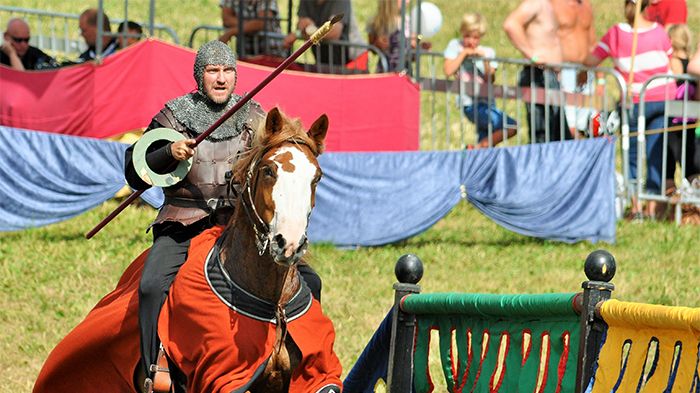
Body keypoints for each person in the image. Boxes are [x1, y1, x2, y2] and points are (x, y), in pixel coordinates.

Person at [123, 40, 323, 384]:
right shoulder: (174, 115)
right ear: (200, 76)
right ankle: (155, 367)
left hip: (237, 226)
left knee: (310, 281)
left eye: (227, 71)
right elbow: (133, 169)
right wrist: (169, 151)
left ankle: (301, 360)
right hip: (183, 222)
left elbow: (282, 155)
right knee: (152, 285)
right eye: (213, 71)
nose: (221, 79)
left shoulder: (255, 117)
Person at [584, 0, 677, 218]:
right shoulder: (660, 32)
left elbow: (590, 60)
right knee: (656, 151)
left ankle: (636, 207)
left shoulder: (617, 33)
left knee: (633, 152)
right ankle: (653, 207)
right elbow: (671, 64)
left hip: (636, 100)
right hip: (663, 96)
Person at [443, 12, 517, 148]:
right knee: (511, 126)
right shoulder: (455, 46)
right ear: (462, 33)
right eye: (467, 36)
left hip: (488, 103)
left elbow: (490, 79)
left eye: (475, 37)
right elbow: (448, 71)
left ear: (481, 37)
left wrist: (485, 61)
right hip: (470, 103)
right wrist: (464, 54)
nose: (471, 41)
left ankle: (475, 153)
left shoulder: (488, 52)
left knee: (488, 142)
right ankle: (475, 150)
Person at [503, 0, 571, 143]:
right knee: (542, 134)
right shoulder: (536, 3)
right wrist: (531, 54)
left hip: (551, 78)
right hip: (538, 76)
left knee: (558, 135)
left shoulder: (550, 5)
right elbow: (511, 24)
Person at [553, 0, 599, 137]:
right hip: (564, 71)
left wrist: (600, 79)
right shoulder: (554, 4)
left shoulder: (586, 5)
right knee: (569, 127)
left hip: (586, 70)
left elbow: (592, 42)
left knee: (588, 125)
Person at [665, 24, 698, 201]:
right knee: (689, 166)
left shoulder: (675, 63)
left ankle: (669, 207)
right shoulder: (692, 61)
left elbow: (671, 86)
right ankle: (692, 202)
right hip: (689, 120)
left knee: (670, 165)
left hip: (675, 121)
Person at [282, 0, 352, 68]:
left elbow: (334, 32)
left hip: (344, 62)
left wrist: (310, 30)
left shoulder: (341, 2)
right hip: (321, 60)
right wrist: (304, 30)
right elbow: (301, 23)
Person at [218, 0, 284, 57]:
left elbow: (261, 23)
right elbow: (227, 19)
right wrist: (251, 25)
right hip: (244, 53)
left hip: (272, 53)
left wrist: (231, 32)